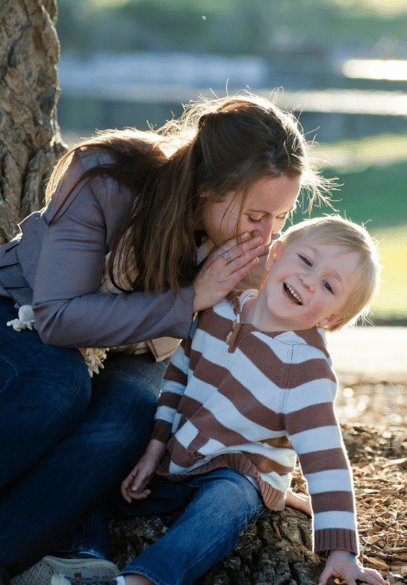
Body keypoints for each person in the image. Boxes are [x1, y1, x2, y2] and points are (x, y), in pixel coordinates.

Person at [0, 93, 327, 585]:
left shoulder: (249, 248)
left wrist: (270, 461)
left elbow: (289, 350)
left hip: (139, 349)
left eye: (279, 220)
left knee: (133, 417)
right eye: (256, 217)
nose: (265, 237)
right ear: (207, 188)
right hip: (23, 312)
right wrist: (192, 297)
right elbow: (57, 316)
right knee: (58, 386)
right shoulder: (107, 177)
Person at [52, 215, 384, 585]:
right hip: (178, 455)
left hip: (241, 470)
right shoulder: (221, 310)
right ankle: (85, 556)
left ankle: (141, 580)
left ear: (332, 319)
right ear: (275, 255)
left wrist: (342, 549)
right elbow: (176, 379)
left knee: (226, 504)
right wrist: (153, 448)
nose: (308, 279)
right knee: (101, 465)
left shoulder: (304, 367)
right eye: (306, 260)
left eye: (327, 285)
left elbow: (326, 458)